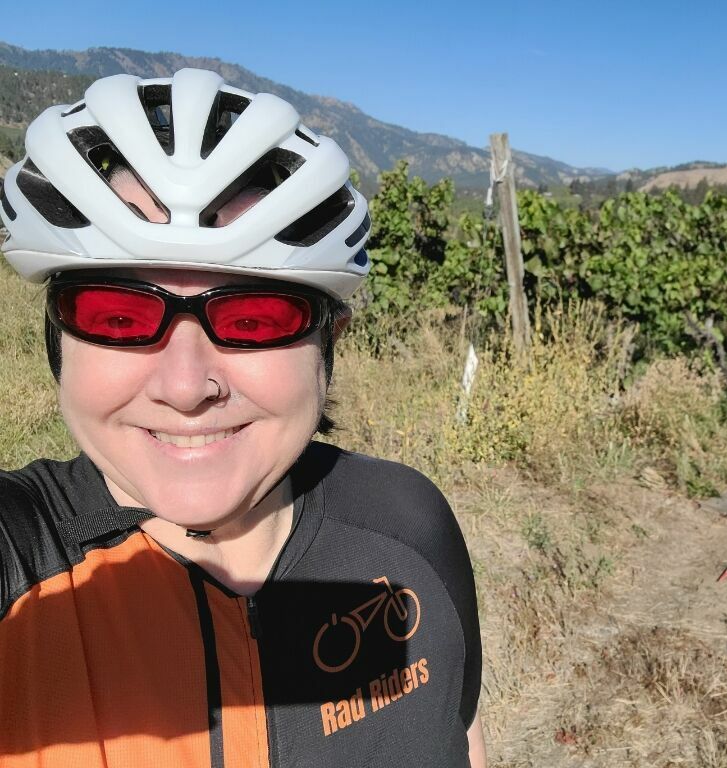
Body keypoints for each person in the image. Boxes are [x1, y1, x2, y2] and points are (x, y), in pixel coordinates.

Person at [0, 68, 486, 768]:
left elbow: (463, 737)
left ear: (329, 344)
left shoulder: (407, 526)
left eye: (254, 319)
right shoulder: (21, 561)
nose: (186, 387)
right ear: (58, 343)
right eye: (118, 316)